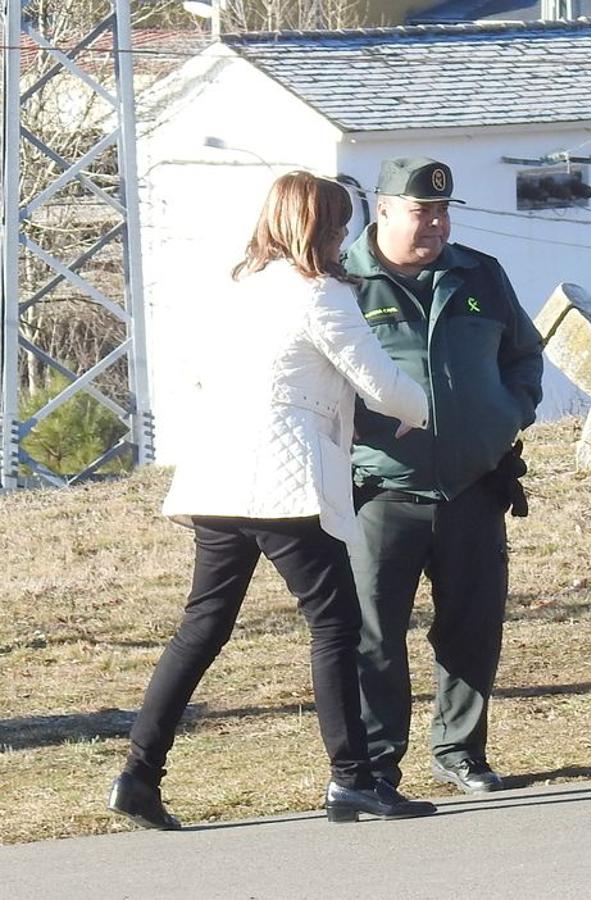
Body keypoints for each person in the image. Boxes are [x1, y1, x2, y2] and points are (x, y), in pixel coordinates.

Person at [107, 171, 436, 829]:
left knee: (202, 627)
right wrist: (421, 410)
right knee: (336, 623)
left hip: (216, 477)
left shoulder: (237, 288)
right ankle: (352, 779)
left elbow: (197, 371)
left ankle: (139, 776)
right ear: (322, 229)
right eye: (341, 226)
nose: (347, 237)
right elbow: (382, 383)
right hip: (281, 484)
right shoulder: (321, 296)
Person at [344, 157, 543, 794]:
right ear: (382, 210)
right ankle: (376, 765)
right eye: (419, 211)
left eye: (442, 211)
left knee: (472, 625)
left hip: (472, 485)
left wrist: (509, 414)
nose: (435, 223)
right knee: (374, 635)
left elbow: (523, 355)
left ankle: (461, 751)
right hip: (380, 491)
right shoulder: (344, 284)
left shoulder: (478, 273)